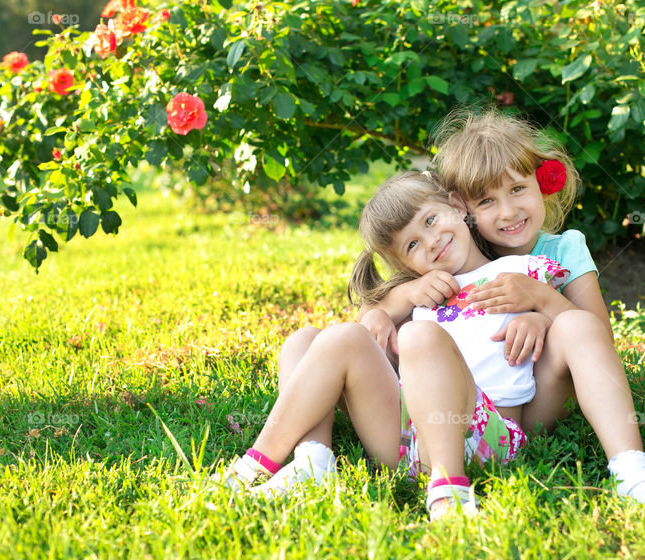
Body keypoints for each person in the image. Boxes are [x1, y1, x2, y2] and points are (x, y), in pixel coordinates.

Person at [363, 108, 645, 516]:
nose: (508, 213)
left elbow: (596, 336)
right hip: (468, 406)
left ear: (541, 182)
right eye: (487, 201)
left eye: (517, 190)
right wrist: (384, 309)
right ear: (463, 209)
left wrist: (543, 306)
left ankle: (632, 471)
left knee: (575, 325)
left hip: (535, 406)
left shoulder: (564, 249)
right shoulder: (459, 257)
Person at [218, 171, 564, 520]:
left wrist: (541, 318)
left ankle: (449, 491)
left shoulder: (519, 273)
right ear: (404, 266)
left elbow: (575, 328)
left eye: (430, 220)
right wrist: (386, 311)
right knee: (303, 341)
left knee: (418, 336)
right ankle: (312, 459)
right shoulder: (418, 295)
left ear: (458, 207)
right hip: (406, 439)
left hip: (486, 436)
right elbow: (361, 333)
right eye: (411, 245)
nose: (430, 242)